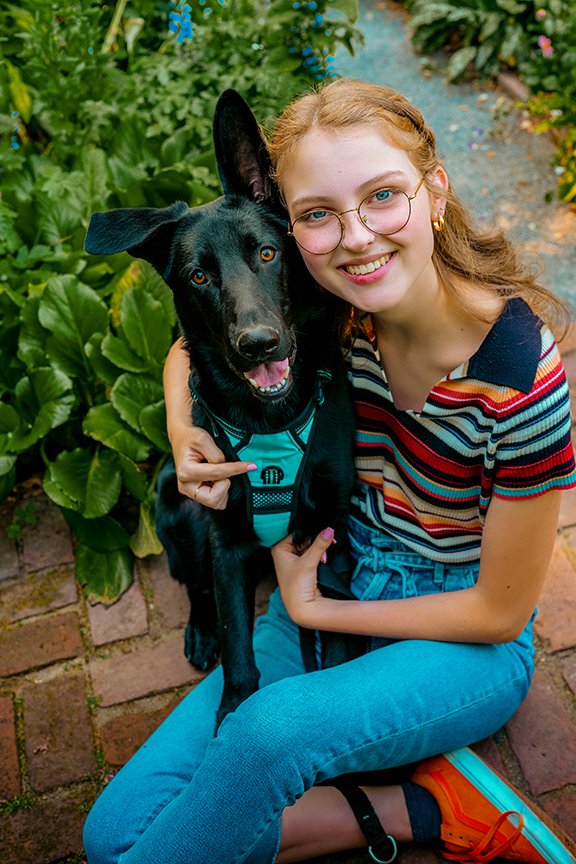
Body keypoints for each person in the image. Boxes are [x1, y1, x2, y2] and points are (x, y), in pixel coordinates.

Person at [83, 78, 576, 864]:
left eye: (382, 196)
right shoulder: (336, 310)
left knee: (266, 735)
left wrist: (315, 611)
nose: (355, 237)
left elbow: (499, 617)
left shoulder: (521, 381)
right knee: (111, 836)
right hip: (335, 578)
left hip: (457, 642)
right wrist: (182, 431)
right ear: (292, 227)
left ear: (434, 191)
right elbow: (194, 341)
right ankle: (425, 806)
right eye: (319, 214)